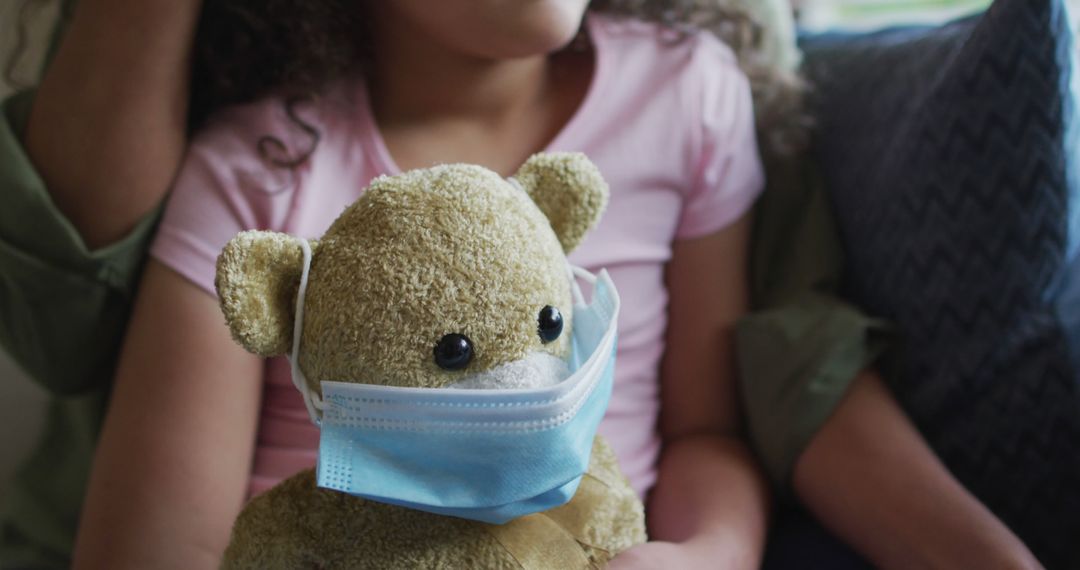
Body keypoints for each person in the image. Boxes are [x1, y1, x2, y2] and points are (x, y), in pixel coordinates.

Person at [0, 0, 1041, 569]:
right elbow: (152, 545)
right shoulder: (257, 168)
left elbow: (706, 433)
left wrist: (710, 554)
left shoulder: (691, 99)